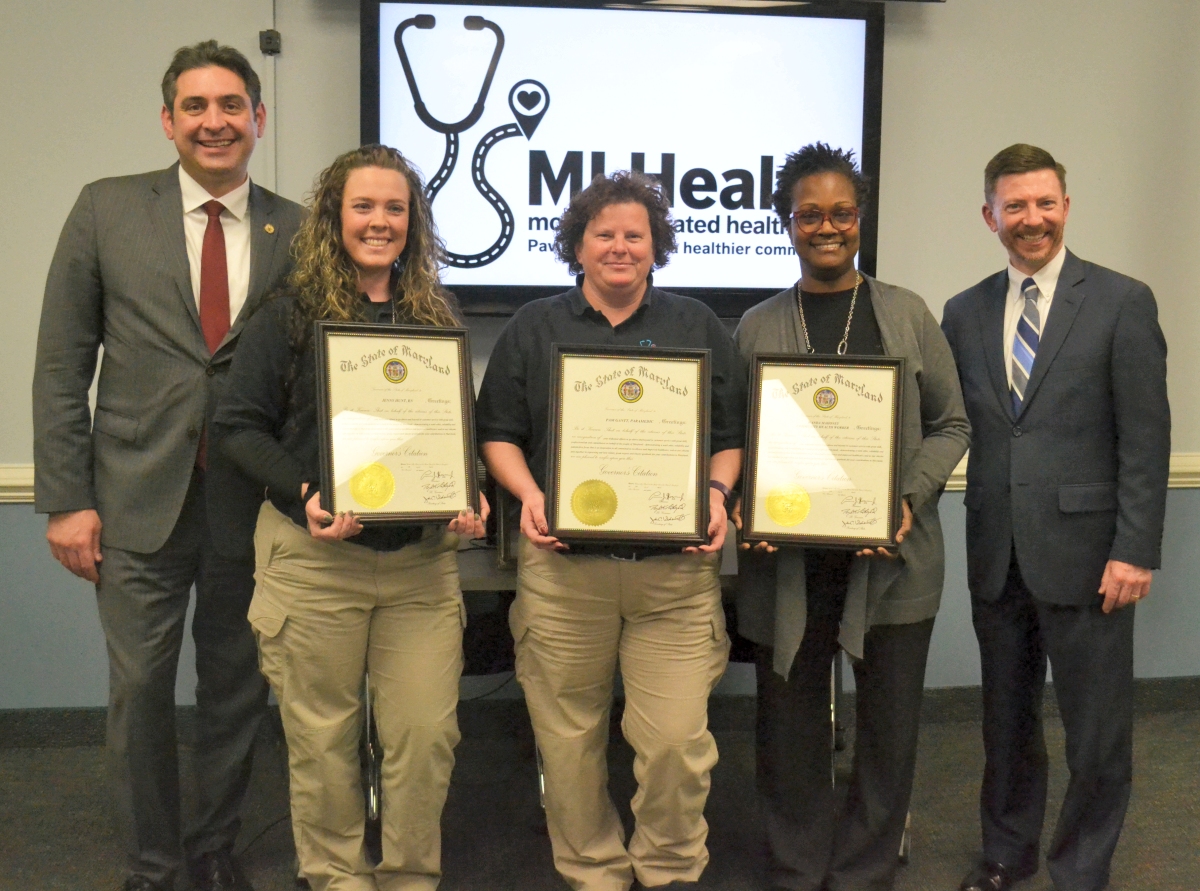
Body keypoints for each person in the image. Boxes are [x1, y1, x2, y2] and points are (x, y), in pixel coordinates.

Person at [31, 40, 303, 891]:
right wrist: (66, 499)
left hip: (249, 502)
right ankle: (152, 861)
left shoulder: (297, 228)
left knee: (234, 687)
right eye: (196, 107)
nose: (214, 122)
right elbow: (60, 364)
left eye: (231, 106)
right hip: (132, 500)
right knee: (141, 689)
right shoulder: (106, 209)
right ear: (168, 120)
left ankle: (214, 845)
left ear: (259, 119)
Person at [213, 143, 486, 891]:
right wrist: (305, 491)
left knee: (425, 734)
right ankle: (335, 875)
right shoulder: (290, 314)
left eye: (395, 208)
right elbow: (237, 426)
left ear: (413, 221)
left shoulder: (434, 315)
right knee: (323, 737)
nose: (379, 221)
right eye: (363, 206)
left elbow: (451, 433)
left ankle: (406, 876)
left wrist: (472, 488)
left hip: (419, 568)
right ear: (334, 216)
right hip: (315, 560)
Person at [476, 171, 746, 891]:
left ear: (657, 246)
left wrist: (717, 492)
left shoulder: (698, 325)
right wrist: (531, 493)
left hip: (675, 578)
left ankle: (668, 868)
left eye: (635, 234)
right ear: (578, 244)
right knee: (568, 744)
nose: (620, 247)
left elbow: (730, 435)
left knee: (676, 745)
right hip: (564, 575)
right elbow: (496, 433)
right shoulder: (534, 325)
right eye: (604, 234)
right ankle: (592, 868)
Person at [732, 143, 970, 891]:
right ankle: (798, 867)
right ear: (787, 223)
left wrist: (908, 496)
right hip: (788, 567)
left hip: (894, 565)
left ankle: (866, 870)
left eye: (841, 213)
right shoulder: (756, 324)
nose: (825, 227)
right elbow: (737, 441)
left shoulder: (907, 313)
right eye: (810, 214)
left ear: (859, 220)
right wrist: (749, 505)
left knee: (888, 732)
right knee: (790, 732)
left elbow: (954, 424)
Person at [941, 144, 1169, 891]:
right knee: (1005, 728)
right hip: (996, 554)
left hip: (1091, 557)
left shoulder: (1121, 300)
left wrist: (1135, 548)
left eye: (1044, 203)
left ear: (1066, 207)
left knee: (1097, 740)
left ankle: (1080, 870)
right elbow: (953, 425)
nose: (1030, 219)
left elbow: (1145, 436)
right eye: (1015, 206)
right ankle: (1006, 856)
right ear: (990, 216)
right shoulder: (964, 310)